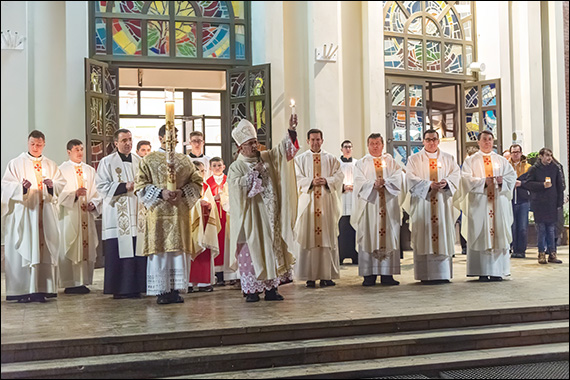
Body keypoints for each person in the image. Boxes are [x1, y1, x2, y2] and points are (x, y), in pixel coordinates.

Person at [227, 116, 299, 302]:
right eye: (250, 143)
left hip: (271, 217)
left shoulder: (267, 157)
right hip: (251, 219)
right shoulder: (237, 166)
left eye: (256, 142)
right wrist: (254, 174)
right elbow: (236, 190)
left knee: (272, 250)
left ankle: (271, 289)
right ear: (240, 147)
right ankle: (251, 291)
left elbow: (284, 152)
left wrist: (291, 129)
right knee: (252, 253)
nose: (254, 147)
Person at [135, 125, 204, 304]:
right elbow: (140, 185)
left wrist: (182, 192)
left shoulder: (184, 160)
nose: (172, 140)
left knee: (177, 252)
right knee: (161, 253)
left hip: (178, 214)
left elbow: (197, 183)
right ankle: (161, 291)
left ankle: (175, 289)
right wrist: (160, 193)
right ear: (160, 138)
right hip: (158, 214)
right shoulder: (149, 160)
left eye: (175, 136)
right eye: (169, 136)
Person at [1, 130, 66, 303]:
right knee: (27, 248)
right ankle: (23, 290)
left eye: (39, 144)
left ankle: (42, 289)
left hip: (45, 216)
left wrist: (52, 186)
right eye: (32, 144)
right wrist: (21, 188)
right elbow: (6, 186)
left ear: (44, 144)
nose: (35, 147)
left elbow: (61, 184)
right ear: (27, 143)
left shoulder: (51, 165)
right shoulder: (16, 163)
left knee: (45, 249)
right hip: (26, 215)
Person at [458, 131, 516, 282]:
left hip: (498, 203)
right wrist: (484, 182)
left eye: (490, 139)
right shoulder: (471, 161)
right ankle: (481, 271)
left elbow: (511, 177)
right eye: (484, 139)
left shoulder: (502, 160)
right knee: (480, 233)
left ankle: (498, 271)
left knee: (498, 234)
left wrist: (501, 180)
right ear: (478, 142)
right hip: (480, 204)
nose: (487, 142)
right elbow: (465, 179)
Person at [95, 128, 147, 299]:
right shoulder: (107, 162)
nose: (128, 143)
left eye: (130, 139)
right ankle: (119, 288)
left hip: (137, 212)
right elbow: (101, 186)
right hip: (118, 216)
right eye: (124, 140)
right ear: (116, 143)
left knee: (136, 251)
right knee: (119, 252)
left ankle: (137, 287)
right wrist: (125, 186)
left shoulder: (140, 161)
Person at [405, 129, 460, 283]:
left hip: (442, 204)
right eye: (428, 139)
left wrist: (446, 183)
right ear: (423, 141)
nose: (431, 142)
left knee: (442, 235)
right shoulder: (414, 159)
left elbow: (456, 175)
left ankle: (442, 274)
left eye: (434, 139)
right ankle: (425, 275)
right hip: (424, 204)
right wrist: (429, 185)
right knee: (424, 235)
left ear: (438, 141)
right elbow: (410, 178)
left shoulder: (448, 158)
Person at [294, 129, 343, 288]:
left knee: (326, 239)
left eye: (318, 139)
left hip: (326, 203)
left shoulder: (331, 159)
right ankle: (310, 276)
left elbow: (339, 176)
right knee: (309, 238)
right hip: (308, 204)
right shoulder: (300, 159)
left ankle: (326, 276)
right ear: (308, 141)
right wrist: (310, 182)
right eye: (312, 139)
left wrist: (327, 180)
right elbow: (296, 177)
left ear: (322, 140)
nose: (315, 142)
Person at [351, 133, 402, 286]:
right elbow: (358, 182)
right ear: (368, 145)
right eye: (372, 143)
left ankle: (388, 274)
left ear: (382, 145)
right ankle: (369, 274)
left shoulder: (391, 161)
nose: (375, 146)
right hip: (370, 206)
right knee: (369, 234)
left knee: (388, 234)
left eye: (378, 143)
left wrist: (386, 182)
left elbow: (399, 178)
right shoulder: (361, 163)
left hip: (388, 204)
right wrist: (373, 184)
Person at [58, 139, 102, 294]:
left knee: (86, 248)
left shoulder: (90, 170)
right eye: (76, 149)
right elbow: (58, 195)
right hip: (70, 216)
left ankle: (83, 281)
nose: (80, 152)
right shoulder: (61, 170)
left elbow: (98, 191)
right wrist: (74, 195)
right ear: (69, 152)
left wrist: (94, 203)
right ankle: (71, 283)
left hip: (86, 216)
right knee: (71, 245)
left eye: (82, 149)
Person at [523, 148, 564, 264]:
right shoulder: (534, 169)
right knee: (541, 229)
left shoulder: (555, 168)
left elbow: (559, 186)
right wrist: (542, 185)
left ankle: (552, 253)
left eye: (550, 155)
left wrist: (559, 203)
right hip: (539, 203)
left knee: (551, 229)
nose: (549, 158)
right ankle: (541, 253)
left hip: (551, 203)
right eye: (547, 155)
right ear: (540, 156)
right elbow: (528, 184)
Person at [187, 160, 221, 293]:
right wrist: (198, 204)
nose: (201, 174)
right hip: (191, 225)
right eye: (198, 171)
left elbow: (211, 203)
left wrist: (209, 206)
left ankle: (204, 282)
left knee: (205, 250)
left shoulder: (205, 186)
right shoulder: (187, 186)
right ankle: (189, 282)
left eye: (203, 171)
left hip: (206, 225)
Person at [205, 157, 238, 286]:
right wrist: (213, 199)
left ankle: (230, 274)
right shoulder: (207, 183)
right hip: (214, 216)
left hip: (227, 216)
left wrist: (223, 198)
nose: (217, 167)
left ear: (224, 167)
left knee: (228, 243)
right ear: (210, 168)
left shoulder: (228, 180)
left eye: (219, 165)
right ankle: (218, 274)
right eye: (214, 165)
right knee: (217, 242)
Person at [508, 144, 531, 258]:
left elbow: (531, 183)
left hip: (523, 200)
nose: (515, 154)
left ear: (521, 153)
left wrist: (521, 183)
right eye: (513, 152)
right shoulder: (506, 166)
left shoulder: (528, 167)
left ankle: (521, 250)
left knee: (522, 226)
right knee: (512, 226)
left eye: (517, 152)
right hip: (510, 200)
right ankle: (513, 248)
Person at [338, 140, 358, 265]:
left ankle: (354, 255)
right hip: (342, 198)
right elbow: (334, 180)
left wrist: (354, 186)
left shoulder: (357, 163)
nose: (348, 149)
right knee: (341, 228)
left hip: (353, 199)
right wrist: (343, 187)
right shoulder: (337, 163)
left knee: (353, 227)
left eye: (350, 147)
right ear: (341, 149)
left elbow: (361, 179)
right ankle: (340, 255)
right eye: (345, 147)